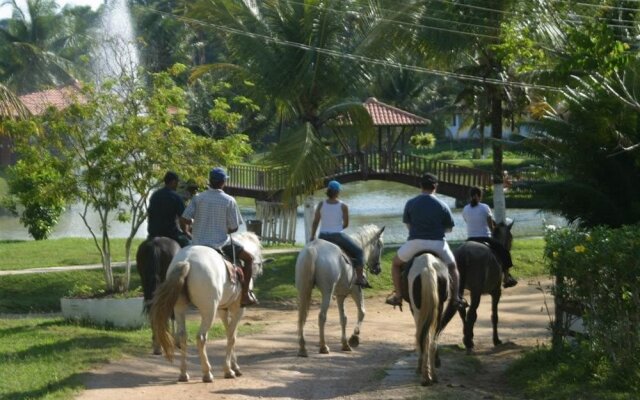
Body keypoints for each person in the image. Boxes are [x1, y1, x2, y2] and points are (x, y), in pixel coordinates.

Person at [385, 173, 467, 310]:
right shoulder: (443, 205)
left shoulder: (410, 203)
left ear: (420, 186)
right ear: (435, 186)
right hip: (438, 244)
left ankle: (398, 295)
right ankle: (455, 298)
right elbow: (449, 229)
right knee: (453, 267)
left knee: (395, 264)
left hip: (415, 243)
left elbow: (409, 226)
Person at [180, 167, 258, 307]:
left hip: (197, 243)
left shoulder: (198, 198)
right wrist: (223, 227)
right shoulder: (229, 200)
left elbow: (184, 219)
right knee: (249, 258)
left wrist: (190, 229)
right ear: (223, 182)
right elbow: (234, 227)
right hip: (221, 244)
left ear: (210, 181)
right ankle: (245, 295)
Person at [309, 180, 370, 288]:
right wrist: (336, 228)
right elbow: (346, 224)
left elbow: (315, 222)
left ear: (328, 191)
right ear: (338, 192)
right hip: (337, 236)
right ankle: (360, 278)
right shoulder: (343, 206)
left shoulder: (321, 204)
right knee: (359, 252)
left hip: (322, 236)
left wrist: (312, 236)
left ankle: (312, 278)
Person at [462, 186, 518, 288]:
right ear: (479, 196)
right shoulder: (485, 207)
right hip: (484, 238)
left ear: (471, 196)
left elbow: (467, 221)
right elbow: (491, 227)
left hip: (469, 239)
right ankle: (506, 278)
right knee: (505, 253)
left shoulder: (465, 208)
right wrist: (493, 231)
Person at [147, 171, 191, 247]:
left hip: (153, 234)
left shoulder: (154, 195)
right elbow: (182, 219)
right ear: (173, 182)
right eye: (177, 182)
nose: (177, 185)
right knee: (188, 246)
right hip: (170, 234)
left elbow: (150, 213)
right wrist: (186, 231)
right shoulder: (176, 197)